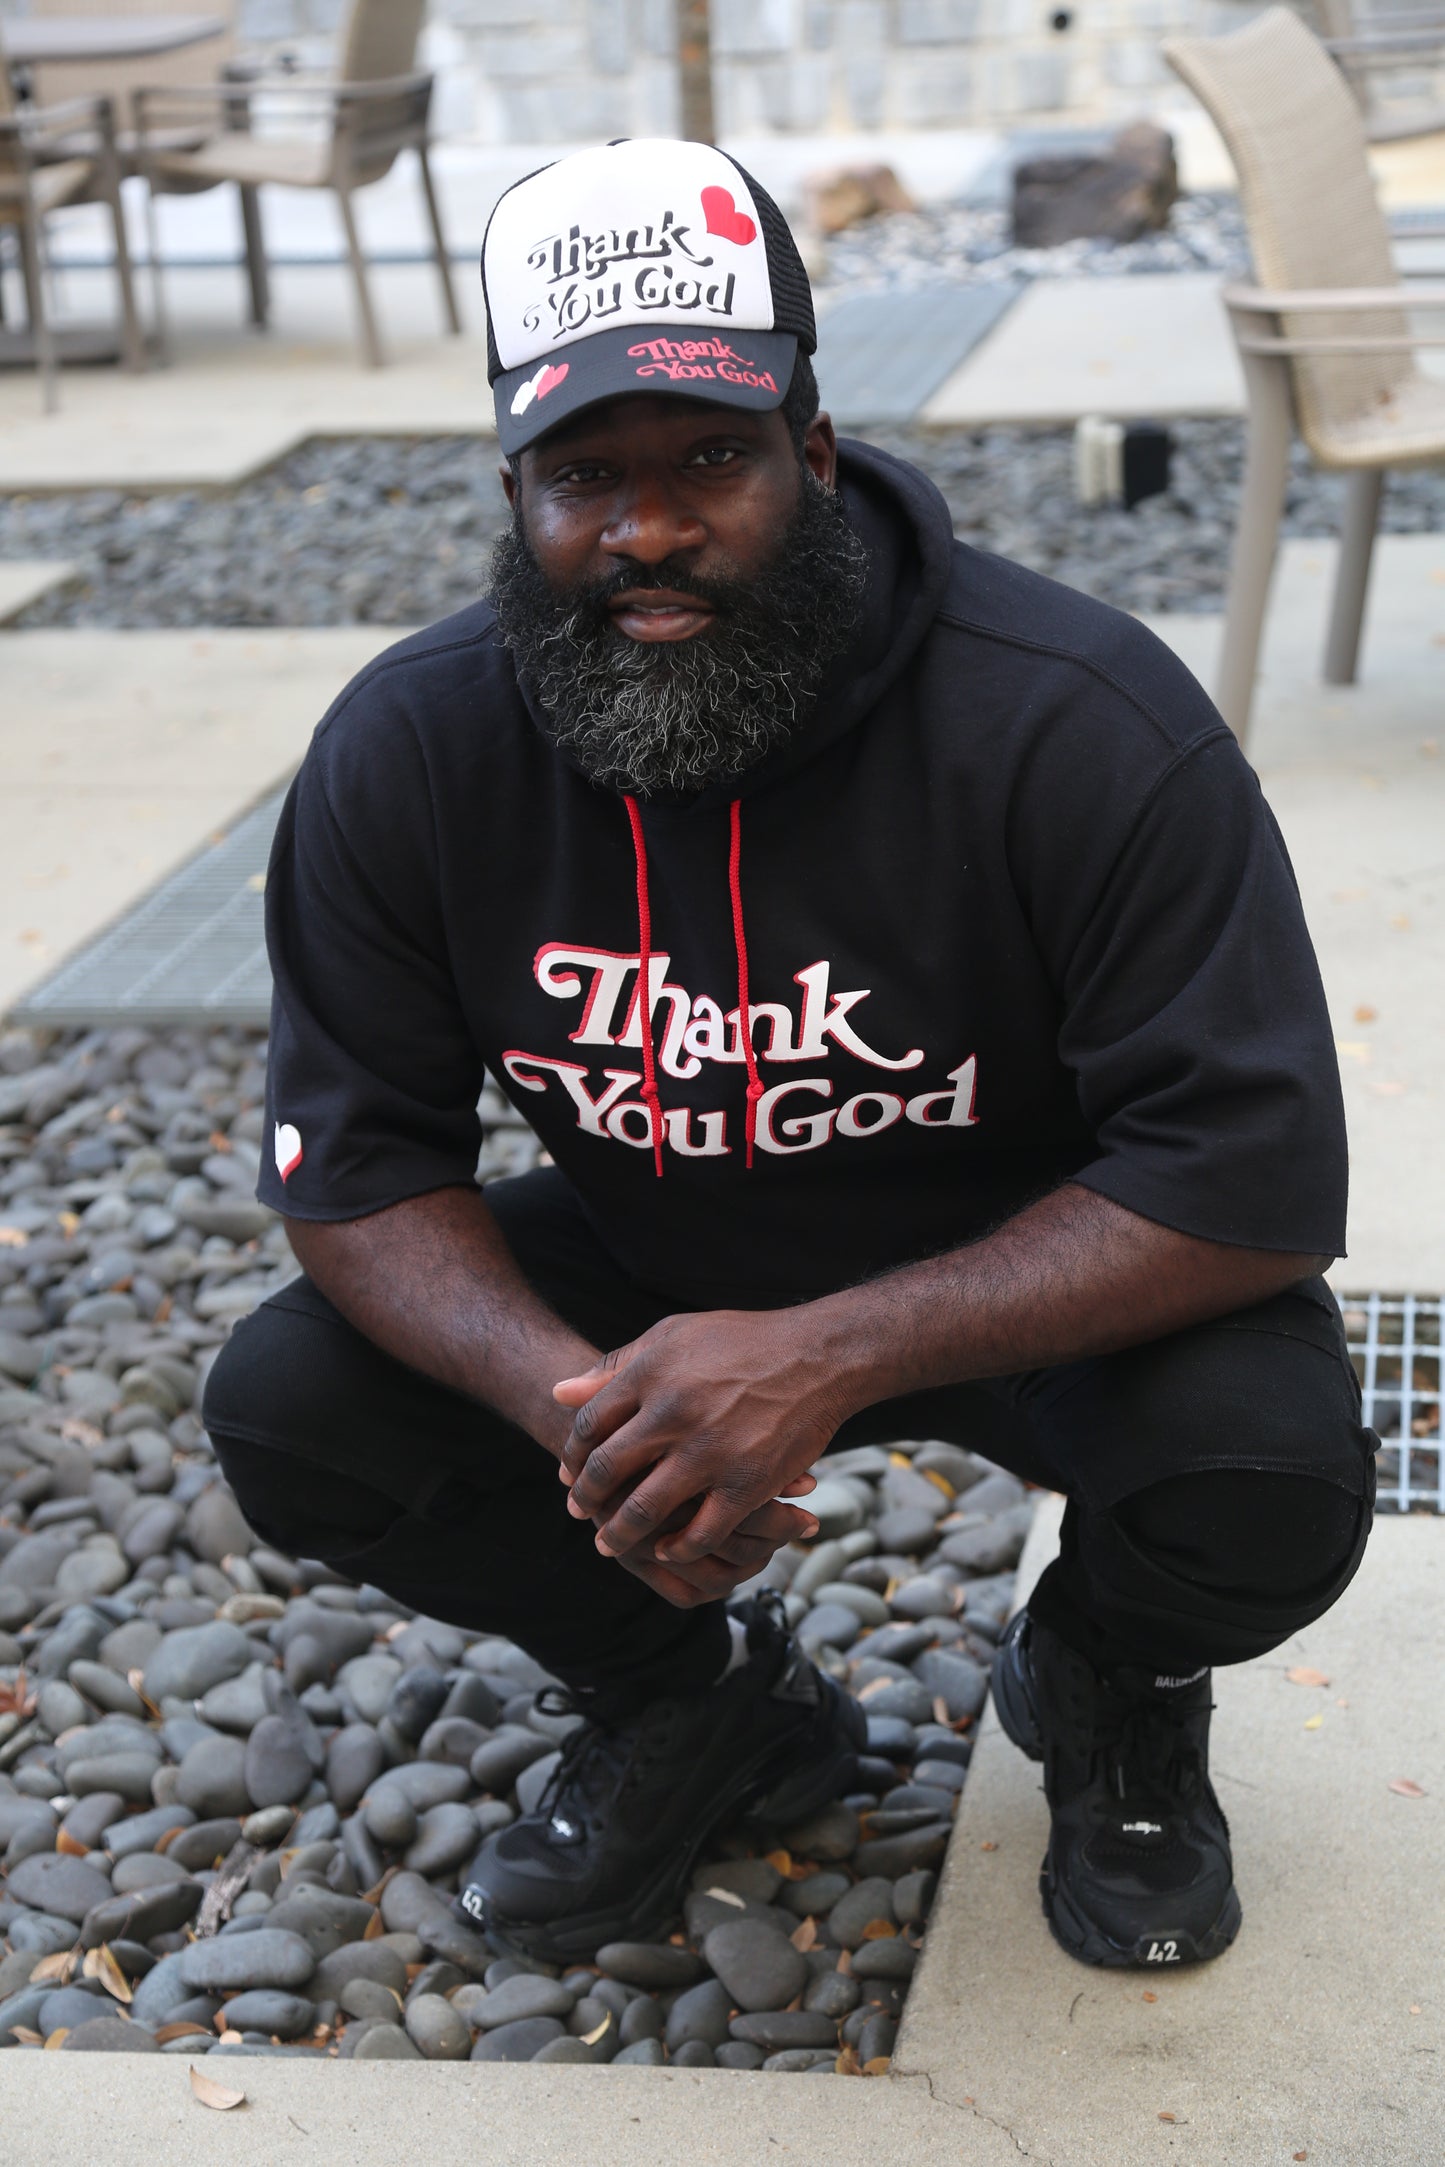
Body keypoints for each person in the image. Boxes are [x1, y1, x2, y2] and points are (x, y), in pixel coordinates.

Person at [203, 136, 1375, 1974]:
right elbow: (355, 1170)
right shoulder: (411, 749)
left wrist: (826, 1354)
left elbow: (1245, 1179)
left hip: (1025, 1267)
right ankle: (703, 1695)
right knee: (298, 1409)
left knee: (1271, 1466)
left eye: (710, 463)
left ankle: (1108, 1675)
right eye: (583, 476)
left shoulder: (1075, 721)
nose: (644, 533)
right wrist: (582, 1420)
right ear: (515, 486)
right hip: (652, 1271)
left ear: (811, 456)